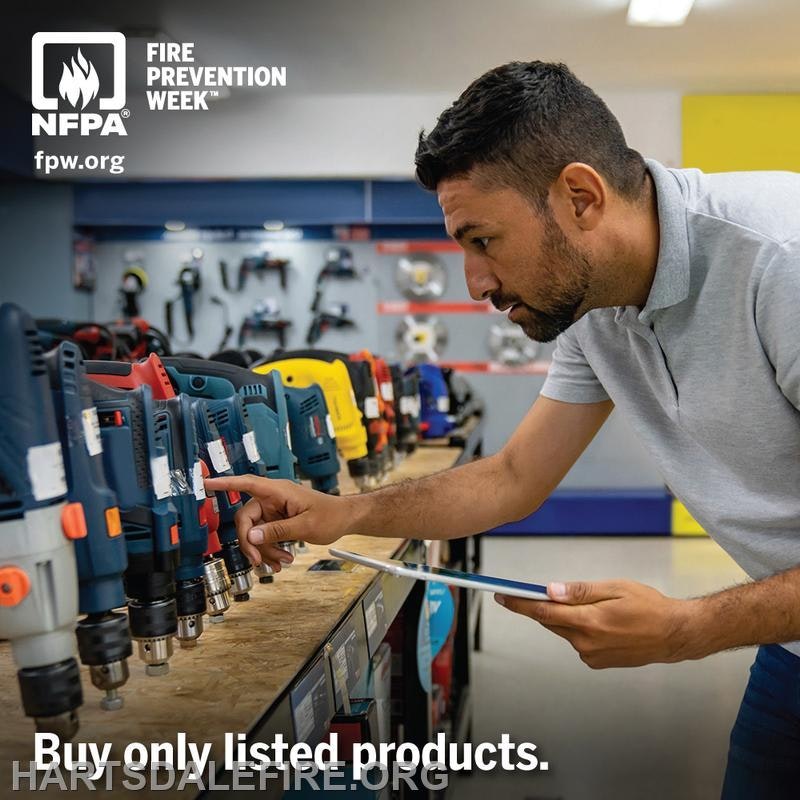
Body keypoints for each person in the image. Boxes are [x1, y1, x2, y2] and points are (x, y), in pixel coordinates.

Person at [206, 62, 800, 797]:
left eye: (483, 240)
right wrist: (344, 514)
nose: (475, 283)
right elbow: (515, 477)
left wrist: (688, 627)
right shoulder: (596, 306)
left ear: (580, 197)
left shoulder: (782, 263)